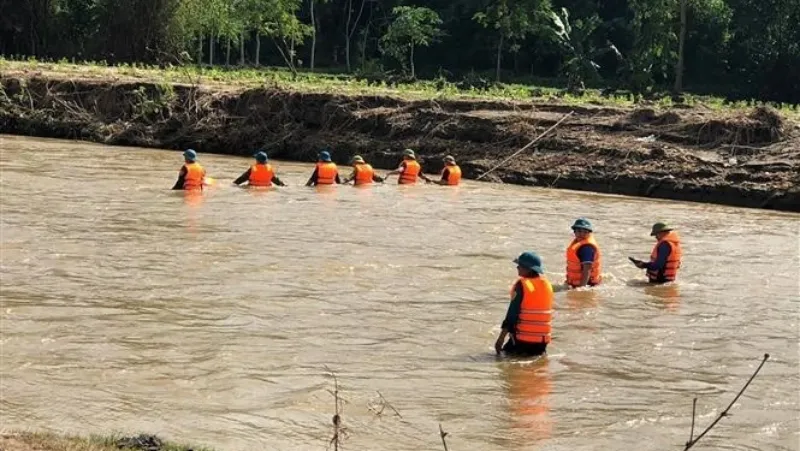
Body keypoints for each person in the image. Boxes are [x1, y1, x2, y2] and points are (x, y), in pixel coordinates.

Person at [495, 251, 554, 357]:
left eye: (520, 266)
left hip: (522, 340)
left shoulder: (522, 285)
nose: (517, 268)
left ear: (528, 269)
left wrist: (500, 339)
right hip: (541, 342)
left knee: (500, 361)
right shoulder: (547, 284)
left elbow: (511, 315)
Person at [564, 218, 602, 288]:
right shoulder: (578, 244)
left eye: (585, 232)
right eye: (579, 231)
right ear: (574, 232)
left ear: (589, 233)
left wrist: (581, 289)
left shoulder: (586, 248)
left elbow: (587, 269)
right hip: (577, 284)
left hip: (588, 285)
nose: (582, 234)